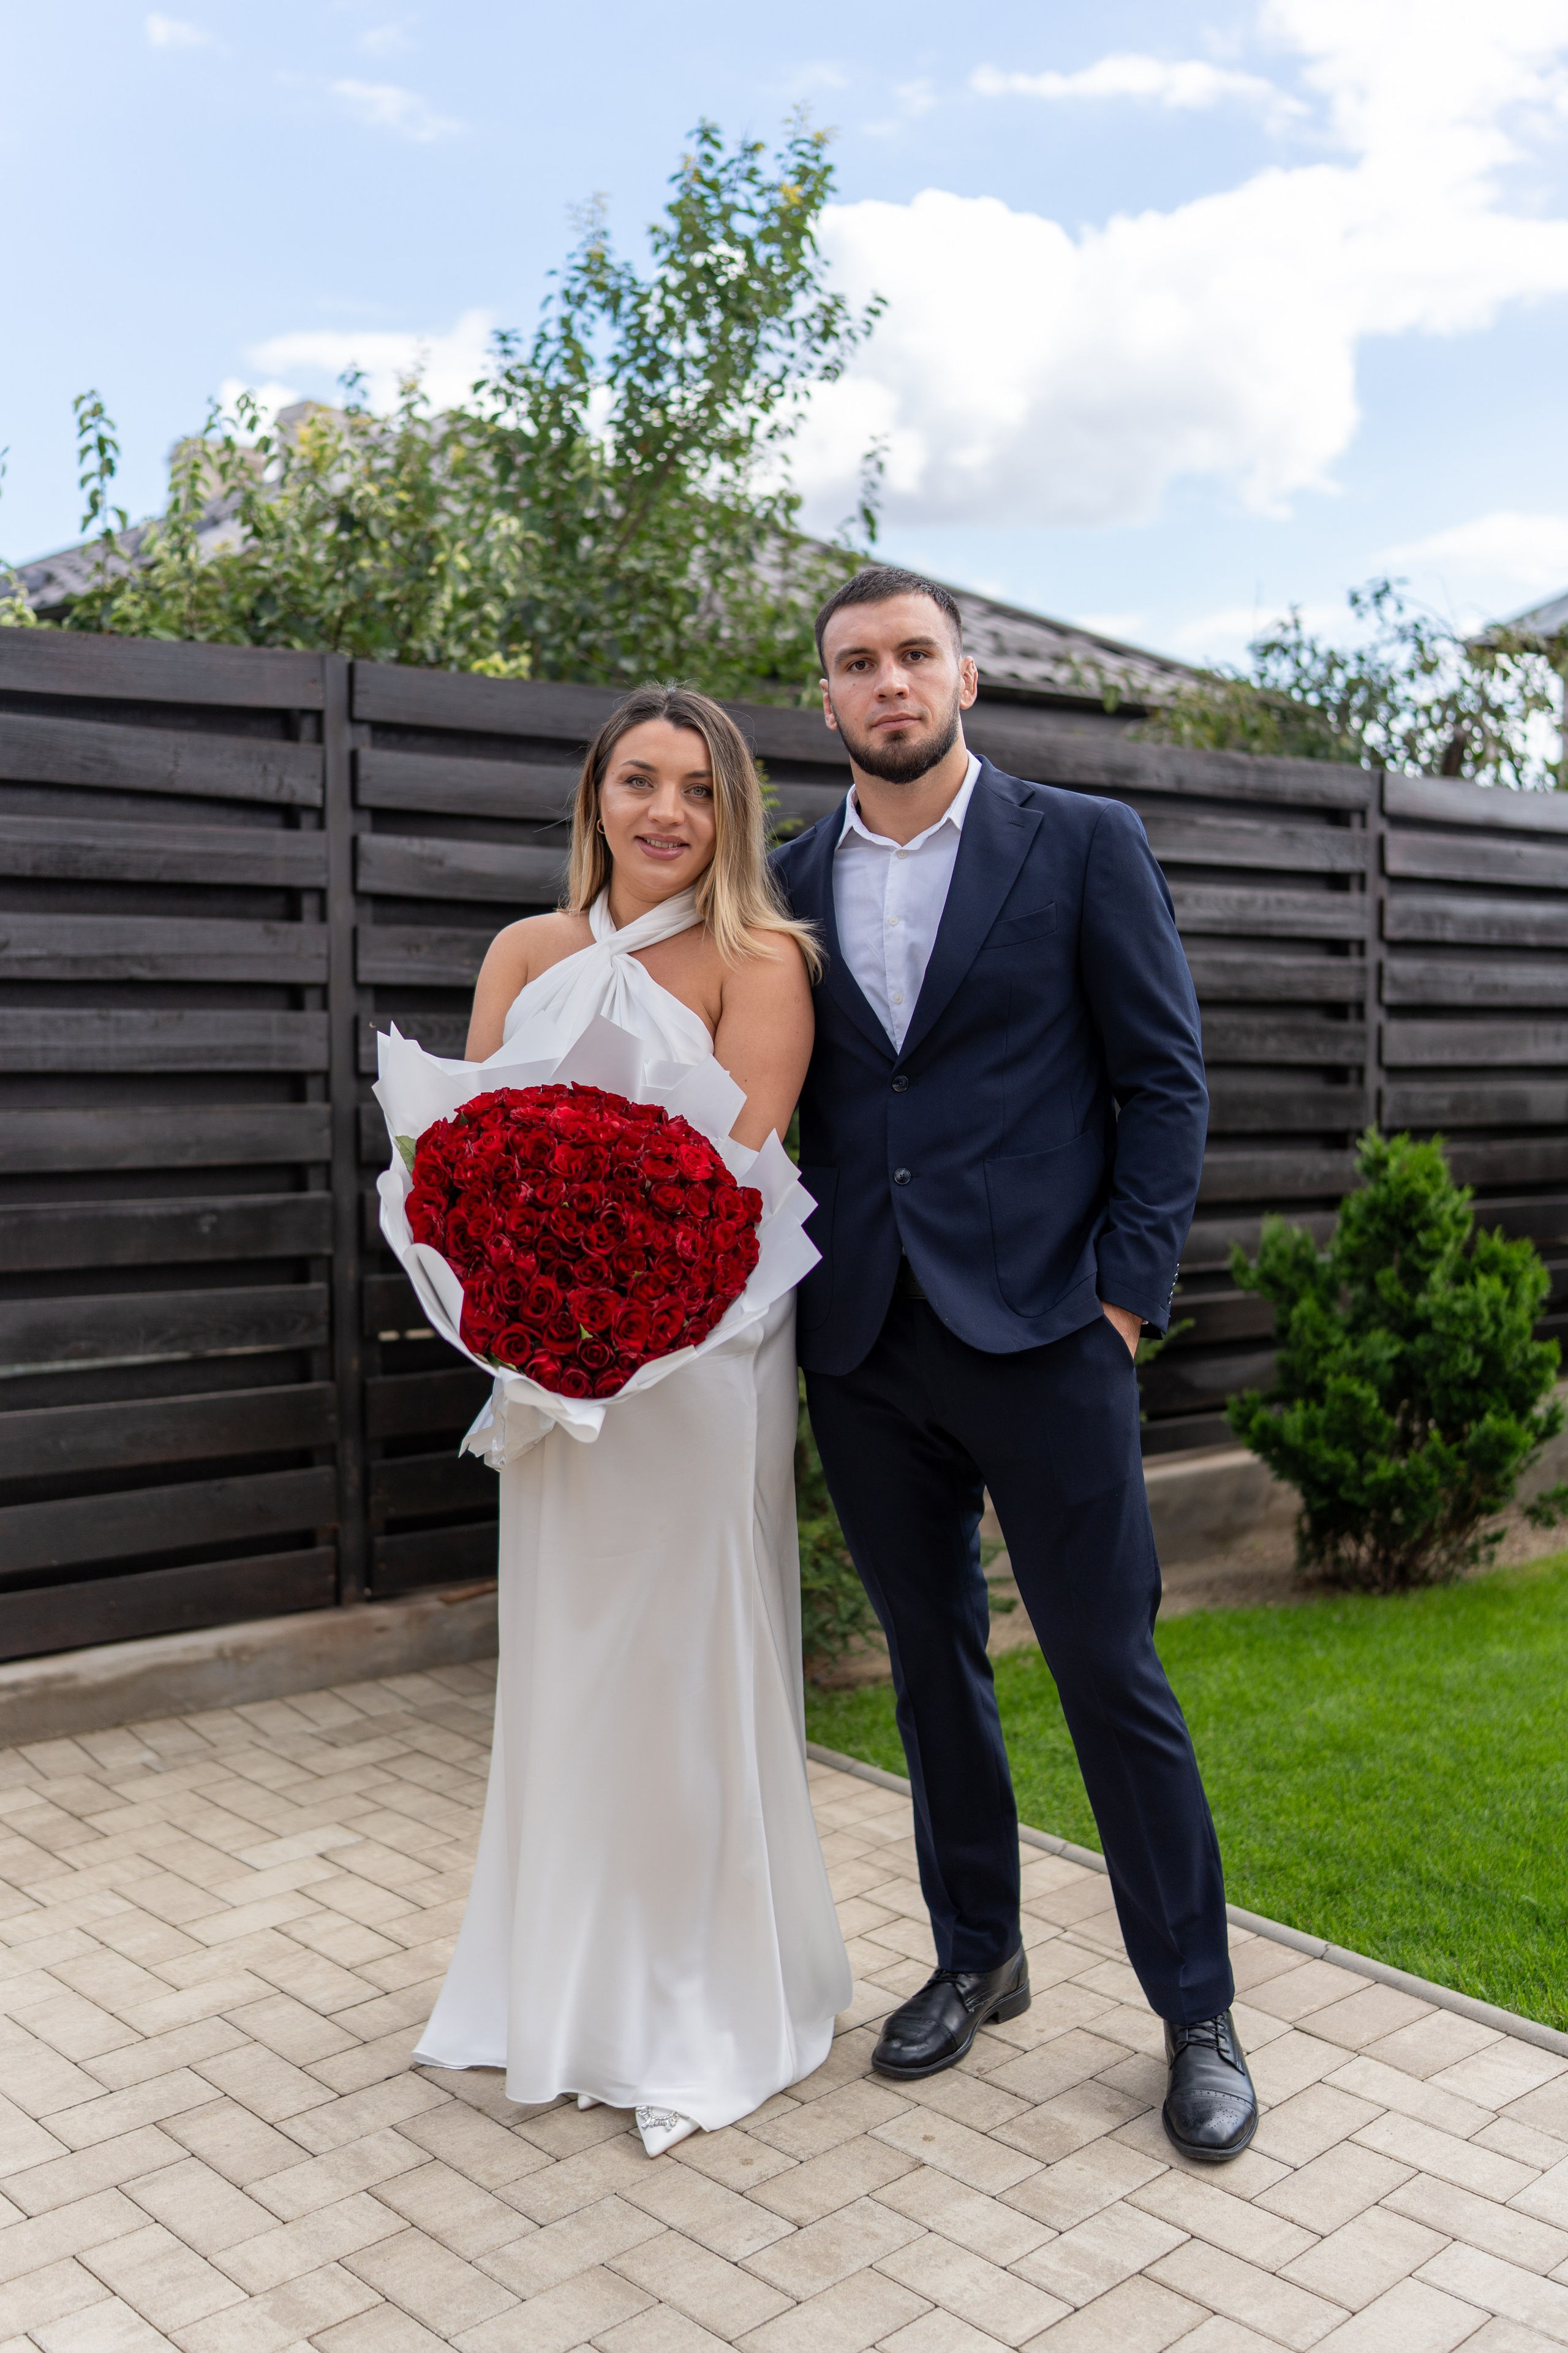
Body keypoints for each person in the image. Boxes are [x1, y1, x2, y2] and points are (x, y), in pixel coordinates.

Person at [771, 567, 1259, 2162]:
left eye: (916, 654)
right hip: (865, 1344)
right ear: (827, 700)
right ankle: (980, 1950)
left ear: (966, 676)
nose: (890, 683)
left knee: (1113, 1675)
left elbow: (1164, 1083)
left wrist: (1121, 1301)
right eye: (859, 664)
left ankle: (1197, 2008)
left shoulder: (1082, 845)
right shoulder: (781, 886)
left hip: (1050, 1334)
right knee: (931, 1672)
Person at [413, 684, 852, 2156]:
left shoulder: (762, 957)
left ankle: (693, 1997)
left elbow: (739, 1179)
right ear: (594, 796)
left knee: (677, 1660)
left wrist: (631, 1318)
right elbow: (465, 1153)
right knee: (570, 1659)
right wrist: (512, 1305)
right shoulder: (523, 950)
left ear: (731, 809)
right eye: (638, 781)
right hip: (548, 1375)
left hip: (696, 1364)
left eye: (699, 789)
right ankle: (557, 1984)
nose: (666, 812)